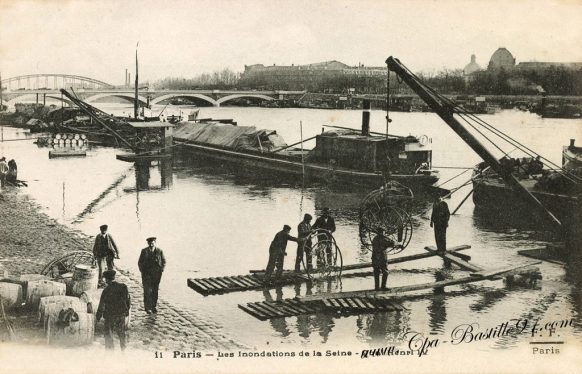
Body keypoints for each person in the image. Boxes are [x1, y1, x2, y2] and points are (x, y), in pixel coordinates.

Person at [96, 270, 131, 350]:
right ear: (114, 277)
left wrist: (98, 316)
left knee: (108, 332)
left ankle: (110, 350)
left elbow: (101, 305)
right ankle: (123, 348)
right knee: (121, 332)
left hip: (110, 315)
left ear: (107, 280)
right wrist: (127, 311)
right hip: (121, 314)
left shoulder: (106, 290)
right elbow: (128, 300)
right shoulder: (123, 287)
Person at [138, 237, 166, 314]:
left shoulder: (159, 251)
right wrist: (142, 271)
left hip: (157, 274)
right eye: (150, 243)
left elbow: (164, 261)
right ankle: (148, 308)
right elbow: (140, 262)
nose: (151, 244)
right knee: (147, 291)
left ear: (155, 243)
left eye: (153, 243)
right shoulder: (144, 251)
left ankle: (153, 306)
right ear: (148, 243)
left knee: (155, 290)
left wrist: (162, 269)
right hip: (146, 274)